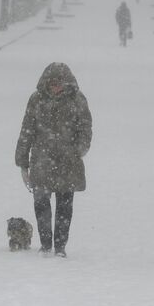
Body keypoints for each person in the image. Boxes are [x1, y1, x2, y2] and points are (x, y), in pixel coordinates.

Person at [15, 62, 93, 257]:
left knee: (65, 206)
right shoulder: (36, 100)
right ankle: (45, 244)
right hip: (41, 161)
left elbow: (85, 129)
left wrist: (78, 150)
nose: (55, 87)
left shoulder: (77, 101)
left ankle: (60, 247)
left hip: (69, 162)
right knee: (41, 203)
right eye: (52, 83)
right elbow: (27, 130)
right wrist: (23, 162)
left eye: (59, 83)